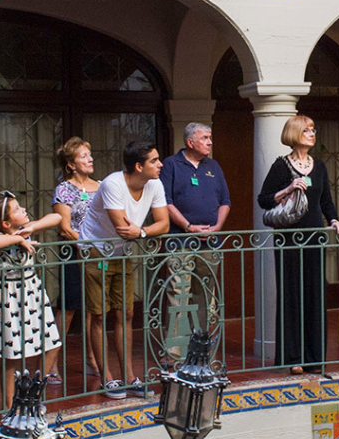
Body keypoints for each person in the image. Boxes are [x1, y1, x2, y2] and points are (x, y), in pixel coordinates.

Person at [257, 116, 339, 375]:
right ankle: (292, 357)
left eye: (313, 130)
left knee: (314, 294)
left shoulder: (318, 166)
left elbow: (326, 201)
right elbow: (263, 199)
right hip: (288, 239)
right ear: (295, 134)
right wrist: (287, 189)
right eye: (307, 130)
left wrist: (334, 221)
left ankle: (314, 356)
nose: (312, 134)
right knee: (291, 294)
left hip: (314, 238)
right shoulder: (281, 166)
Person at [80, 141, 169, 399]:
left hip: (123, 250)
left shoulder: (155, 184)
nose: (160, 164)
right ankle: (108, 379)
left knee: (127, 313)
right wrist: (138, 232)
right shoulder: (112, 184)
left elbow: (162, 224)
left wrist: (141, 231)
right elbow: (121, 226)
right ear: (139, 166)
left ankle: (130, 377)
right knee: (99, 315)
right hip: (96, 249)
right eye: (154, 160)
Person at [0, 191, 63, 408]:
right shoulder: (5, 236)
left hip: (32, 289)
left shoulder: (26, 229)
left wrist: (31, 228)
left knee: (52, 342)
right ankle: (10, 406)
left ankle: (34, 393)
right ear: (6, 222)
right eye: (17, 210)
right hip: (9, 294)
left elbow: (56, 218)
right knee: (12, 353)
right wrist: (18, 238)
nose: (24, 210)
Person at [159, 122, 231, 333]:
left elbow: (225, 201)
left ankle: (199, 348)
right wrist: (188, 226)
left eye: (210, 137)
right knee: (178, 293)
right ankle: (175, 353)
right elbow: (166, 201)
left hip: (210, 241)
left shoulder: (213, 166)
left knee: (204, 293)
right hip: (180, 240)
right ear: (190, 142)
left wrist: (217, 227)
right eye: (205, 138)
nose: (210, 142)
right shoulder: (171, 164)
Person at [46, 137, 101, 384]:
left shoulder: (100, 186)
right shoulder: (64, 189)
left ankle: (93, 358)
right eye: (83, 156)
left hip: (98, 255)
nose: (89, 159)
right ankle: (50, 363)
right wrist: (88, 244)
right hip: (75, 255)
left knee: (94, 308)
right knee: (68, 309)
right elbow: (66, 228)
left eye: (89, 154)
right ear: (70, 164)